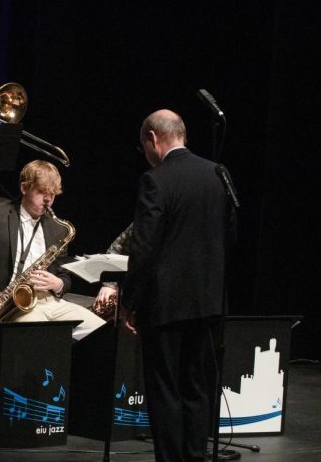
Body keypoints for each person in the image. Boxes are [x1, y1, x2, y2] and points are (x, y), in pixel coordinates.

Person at [122, 110, 234, 462]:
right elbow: (231, 237)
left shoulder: (155, 180)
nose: (146, 154)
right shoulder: (218, 174)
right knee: (198, 389)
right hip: (209, 304)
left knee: (166, 391)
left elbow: (144, 248)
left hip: (166, 306)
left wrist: (130, 301)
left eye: (144, 147)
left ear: (153, 139)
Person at [0, 160, 105, 340]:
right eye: (42, 192)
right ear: (24, 188)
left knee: (102, 331)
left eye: (52, 194)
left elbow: (65, 276)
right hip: (10, 306)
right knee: (38, 337)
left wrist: (58, 284)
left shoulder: (58, 229)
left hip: (51, 301)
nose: (48, 200)